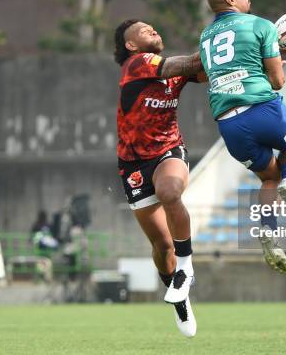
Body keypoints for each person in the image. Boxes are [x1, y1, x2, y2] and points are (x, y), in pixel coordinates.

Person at [187, 0, 286, 273]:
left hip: (229, 124)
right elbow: (277, 81)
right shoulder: (260, 24)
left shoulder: (205, 37)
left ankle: (268, 230)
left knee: (268, 177)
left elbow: (219, 69)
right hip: (261, 109)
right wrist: (278, 60)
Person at [114, 19, 204, 337]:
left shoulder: (170, 69)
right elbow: (194, 62)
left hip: (169, 151)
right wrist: (227, 45)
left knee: (170, 192)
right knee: (161, 245)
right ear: (131, 45)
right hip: (134, 164)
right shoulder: (137, 64)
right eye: (143, 30)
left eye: (154, 27)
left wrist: (259, 61)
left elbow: (207, 72)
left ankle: (185, 267)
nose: (153, 30)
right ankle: (181, 302)